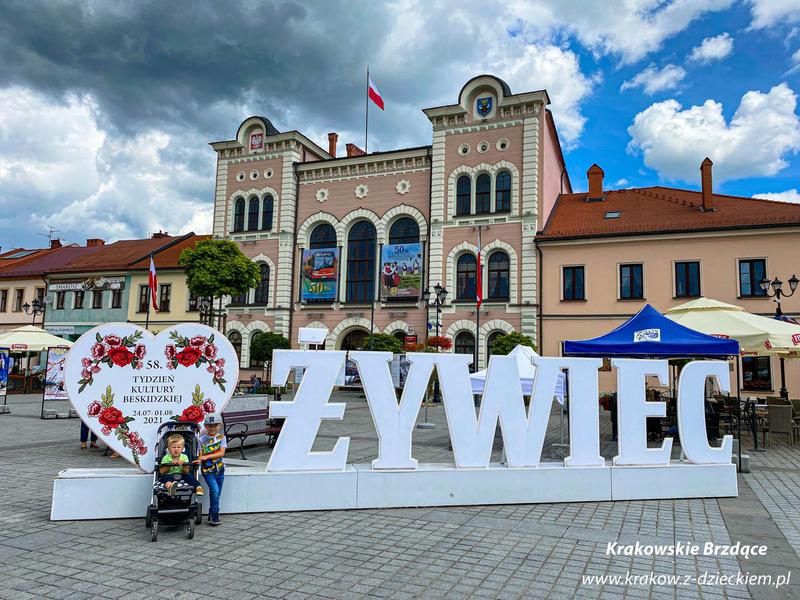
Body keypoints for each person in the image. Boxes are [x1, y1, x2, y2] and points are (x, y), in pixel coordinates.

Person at [198, 414, 226, 526]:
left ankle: (211, 513)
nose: (212, 428)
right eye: (210, 426)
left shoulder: (222, 438)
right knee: (214, 490)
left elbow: (221, 453)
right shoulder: (201, 440)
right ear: (205, 426)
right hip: (207, 471)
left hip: (220, 469)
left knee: (217, 493)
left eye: (215, 426)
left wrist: (207, 457)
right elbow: (200, 455)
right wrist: (201, 458)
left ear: (219, 426)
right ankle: (215, 515)